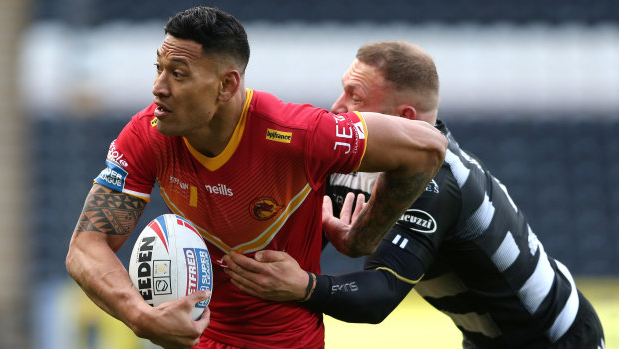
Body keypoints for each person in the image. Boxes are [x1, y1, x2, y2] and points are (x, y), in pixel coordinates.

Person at [64, 7, 447, 349]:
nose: (158, 87)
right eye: (159, 68)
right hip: (199, 338)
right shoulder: (149, 133)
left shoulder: (298, 134)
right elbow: (85, 246)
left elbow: (427, 147)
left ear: (227, 85)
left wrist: (361, 237)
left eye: (178, 74)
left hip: (286, 341)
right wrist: (140, 315)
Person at [223, 41, 606, 349]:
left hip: (557, 338)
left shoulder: (436, 182)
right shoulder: (358, 160)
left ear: (405, 119)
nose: (338, 108)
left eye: (355, 96)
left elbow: (379, 296)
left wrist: (306, 286)